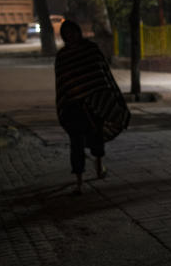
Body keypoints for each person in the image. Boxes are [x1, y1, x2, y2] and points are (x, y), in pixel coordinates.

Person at [54, 20, 130, 194]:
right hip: (73, 107)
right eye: (67, 34)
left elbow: (103, 74)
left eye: (73, 32)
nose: (70, 36)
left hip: (95, 104)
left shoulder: (91, 50)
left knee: (96, 136)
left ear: (78, 32)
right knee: (76, 143)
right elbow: (62, 83)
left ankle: (99, 167)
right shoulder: (62, 56)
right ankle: (79, 181)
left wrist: (105, 97)